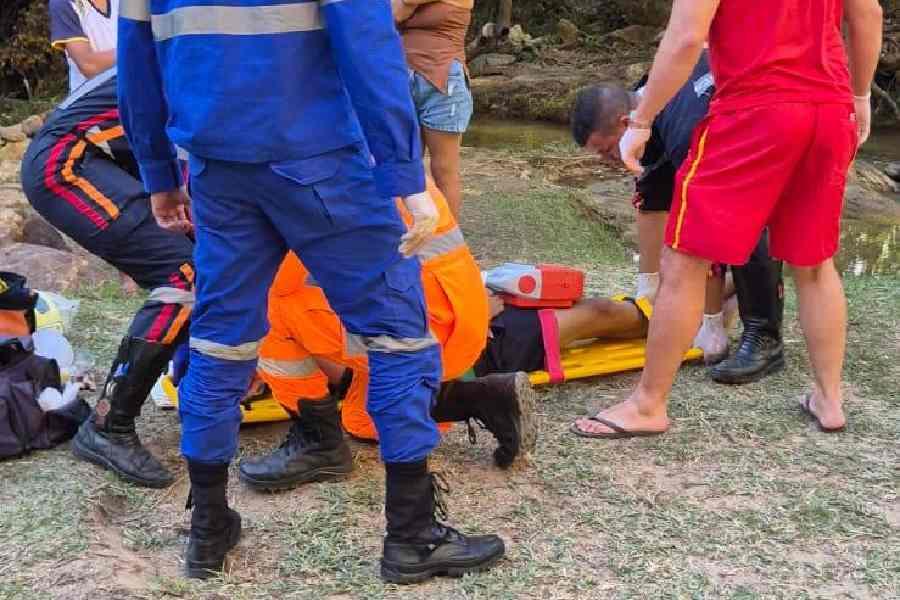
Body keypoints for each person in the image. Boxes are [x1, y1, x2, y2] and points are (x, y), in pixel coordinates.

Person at [118, 0, 504, 583]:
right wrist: (404, 173)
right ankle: (412, 535)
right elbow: (368, 48)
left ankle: (208, 530)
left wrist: (158, 174)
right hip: (324, 162)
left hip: (218, 171)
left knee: (220, 342)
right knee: (398, 334)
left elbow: (136, 60)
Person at [573, 0, 881, 439]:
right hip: (829, 109)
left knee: (684, 260)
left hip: (754, 109)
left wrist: (641, 121)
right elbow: (867, 13)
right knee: (814, 265)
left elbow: (686, 36)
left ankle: (647, 405)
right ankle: (829, 398)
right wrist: (860, 96)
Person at [239, 179, 537, 491]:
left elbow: (267, 281)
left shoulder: (299, 178)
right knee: (362, 420)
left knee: (265, 309)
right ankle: (485, 398)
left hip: (420, 332)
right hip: (455, 315)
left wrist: (242, 361)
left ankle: (317, 441)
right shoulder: (379, 157)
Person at [20, 68, 194, 488]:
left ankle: (190, 385)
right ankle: (108, 425)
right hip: (66, 160)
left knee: (191, 264)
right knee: (185, 274)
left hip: (93, 157)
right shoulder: (206, 52)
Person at [570, 51, 786, 381]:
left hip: (771, 116)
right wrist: (648, 289)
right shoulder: (647, 100)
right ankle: (733, 295)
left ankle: (763, 336)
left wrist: (711, 324)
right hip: (735, 109)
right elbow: (650, 197)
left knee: (741, 225)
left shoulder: (684, 127)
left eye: (607, 150)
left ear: (626, 124)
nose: (608, 160)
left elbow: (709, 220)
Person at [392, 0, 474, 217]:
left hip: (443, 80)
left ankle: (449, 235)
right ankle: (409, 230)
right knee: (406, 165)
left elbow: (395, 13)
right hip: (401, 77)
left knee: (444, 169)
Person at [49, 0, 118, 92]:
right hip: (96, 96)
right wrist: (131, 51)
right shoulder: (63, 3)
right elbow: (89, 66)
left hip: (131, 88)